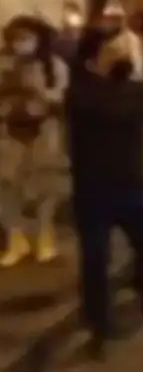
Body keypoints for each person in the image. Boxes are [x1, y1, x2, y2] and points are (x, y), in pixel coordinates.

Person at [65, 27, 143, 358]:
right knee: (95, 259)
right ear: (95, 54)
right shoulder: (80, 91)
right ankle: (99, 326)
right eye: (113, 48)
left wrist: (129, 78)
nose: (121, 53)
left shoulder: (132, 87)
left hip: (133, 183)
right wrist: (121, 82)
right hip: (94, 188)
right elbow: (114, 111)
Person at [0, 17, 69, 266]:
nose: (21, 44)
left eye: (26, 37)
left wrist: (39, 91)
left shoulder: (54, 65)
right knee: (7, 186)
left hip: (44, 129)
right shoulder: (5, 64)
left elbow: (61, 97)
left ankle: (44, 237)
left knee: (45, 186)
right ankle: (15, 238)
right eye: (16, 38)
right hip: (10, 131)